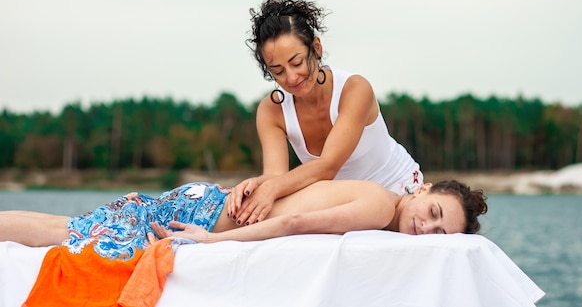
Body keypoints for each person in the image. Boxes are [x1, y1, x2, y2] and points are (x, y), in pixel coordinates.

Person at [228, 0, 425, 227]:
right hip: (344, 205)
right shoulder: (271, 111)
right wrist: (253, 186)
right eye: (278, 71)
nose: (291, 77)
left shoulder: (354, 89)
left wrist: (272, 187)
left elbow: (328, 166)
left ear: (317, 48)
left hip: (400, 190)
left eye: (297, 62)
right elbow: (276, 177)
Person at [0, 178, 487, 249]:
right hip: (210, 212)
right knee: (71, 234)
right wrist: (210, 242)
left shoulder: (379, 203)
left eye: (440, 232)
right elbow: (296, 223)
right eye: (435, 211)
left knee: (70, 229)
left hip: (213, 201)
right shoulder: (380, 206)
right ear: (421, 189)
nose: (427, 227)